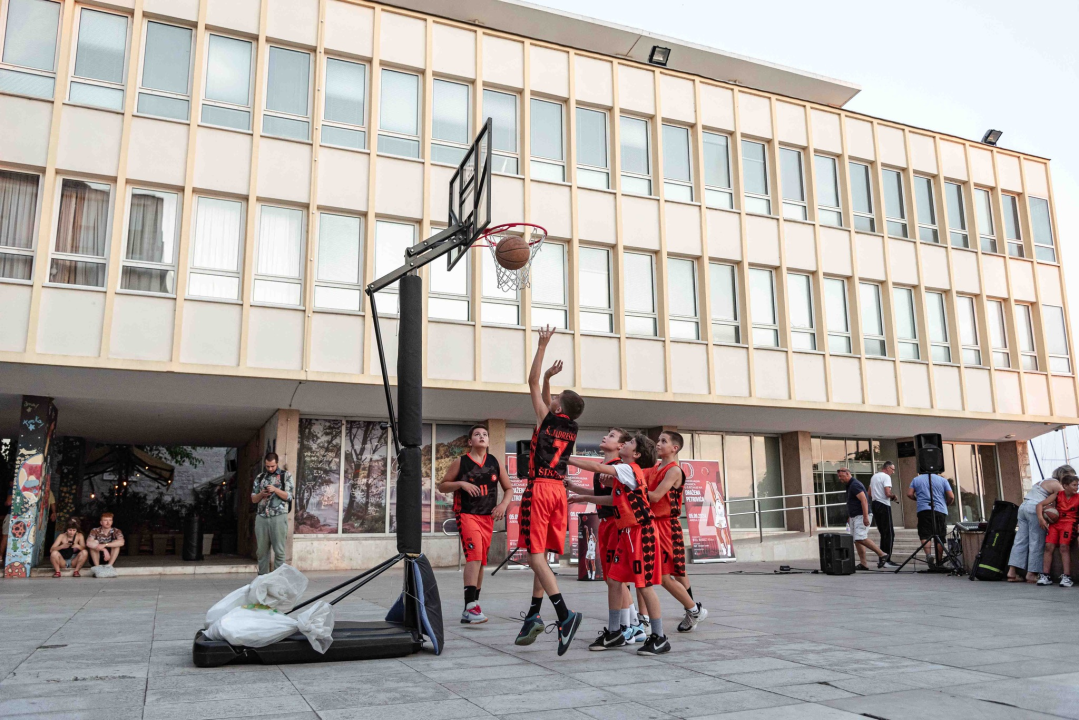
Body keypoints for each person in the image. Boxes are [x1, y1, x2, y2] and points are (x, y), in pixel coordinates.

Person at [514, 326, 585, 656]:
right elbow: (544, 396)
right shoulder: (568, 427)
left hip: (540, 489)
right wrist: (549, 383)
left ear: (557, 408)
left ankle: (564, 615)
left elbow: (530, 385)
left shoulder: (546, 420)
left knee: (534, 556)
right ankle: (533, 614)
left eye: (553, 399)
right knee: (542, 555)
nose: (549, 399)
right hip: (559, 492)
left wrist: (542, 349)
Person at [569, 433, 670, 655]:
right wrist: (583, 497)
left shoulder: (628, 468)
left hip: (641, 532)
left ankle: (659, 637)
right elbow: (613, 500)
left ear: (636, 454)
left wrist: (565, 458)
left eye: (630, 443)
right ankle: (614, 632)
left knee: (644, 585)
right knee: (614, 580)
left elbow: (594, 468)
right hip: (628, 532)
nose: (624, 444)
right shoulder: (626, 473)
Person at [565, 427, 646, 645]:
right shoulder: (610, 467)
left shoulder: (618, 467)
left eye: (611, 436)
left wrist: (567, 458)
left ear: (622, 446)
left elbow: (614, 499)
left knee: (616, 580)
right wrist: (578, 491)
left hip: (617, 524)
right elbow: (604, 495)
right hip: (608, 523)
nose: (605, 437)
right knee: (614, 580)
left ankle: (629, 626)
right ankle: (631, 626)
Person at [436, 424, 512, 624]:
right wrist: (461, 484)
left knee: (480, 563)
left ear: (488, 440)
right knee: (474, 556)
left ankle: (472, 607)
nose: (482, 436)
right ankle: (470, 606)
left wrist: (503, 505)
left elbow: (509, 488)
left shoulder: (495, 462)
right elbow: (442, 486)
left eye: (485, 434)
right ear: (470, 441)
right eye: (477, 434)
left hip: (488, 517)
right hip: (467, 514)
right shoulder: (460, 462)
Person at [647, 431, 707, 632]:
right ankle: (692, 609)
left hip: (667, 526)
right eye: (658, 440)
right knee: (665, 573)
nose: (658, 443)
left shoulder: (674, 470)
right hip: (654, 524)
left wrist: (632, 489)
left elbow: (654, 497)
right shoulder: (655, 467)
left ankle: (693, 610)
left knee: (675, 572)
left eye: (664, 441)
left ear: (675, 448)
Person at [1008, 465, 1074, 583]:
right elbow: (1064, 503)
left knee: (1020, 540)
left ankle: (1012, 572)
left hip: (1023, 507)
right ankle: (1031, 573)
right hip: (1035, 509)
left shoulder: (1043, 481)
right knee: (1037, 541)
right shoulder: (1058, 486)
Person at [839, 468, 896, 570]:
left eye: (841, 476)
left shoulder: (855, 485)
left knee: (860, 537)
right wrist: (850, 516)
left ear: (848, 474)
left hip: (861, 515)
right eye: (838, 476)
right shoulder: (850, 485)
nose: (840, 479)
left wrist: (865, 517)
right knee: (856, 540)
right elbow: (853, 502)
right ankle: (863, 563)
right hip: (854, 516)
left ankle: (882, 554)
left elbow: (864, 500)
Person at [251, 452, 293, 575]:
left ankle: (277, 580)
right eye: (268, 466)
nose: (270, 469)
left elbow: (289, 496)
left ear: (277, 463)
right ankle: (262, 579)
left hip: (278, 516)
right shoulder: (260, 477)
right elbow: (253, 499)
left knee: (279, 551)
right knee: (261, 552)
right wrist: (261, 494)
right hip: (262, 517)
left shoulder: (286, 476)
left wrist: (275, 489)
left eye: (272, 466)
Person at [906, 469, 955, 567]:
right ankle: (939, 561)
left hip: (923, 510)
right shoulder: (943, 480)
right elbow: (951, 496)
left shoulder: (916, 479)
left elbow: (909, 494)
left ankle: (928, 555)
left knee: (924, 534)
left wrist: (917, 499)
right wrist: (946, 504)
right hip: (939, 510)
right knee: (940, 535)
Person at [1037, 473, 1079, 587]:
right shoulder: (1057, 494)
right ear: (1065, 486)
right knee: (1048, 547)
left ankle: (1067, 576)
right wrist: (1041, 519)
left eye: (1077, 485)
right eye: (1074, 485)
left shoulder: (1078, 498)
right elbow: (1040, 505)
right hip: (1056, 523)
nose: (1076, 487)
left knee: (1064, 547)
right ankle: (1045, 575)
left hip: (1070, 523)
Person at [869, 461, 898, 567]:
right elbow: (887, 492)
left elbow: (869, 493)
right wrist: (894, 496)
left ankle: (882, 557)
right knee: (890, 533)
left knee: (883, 533)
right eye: (892, 469)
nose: (893, 472)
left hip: (875, 504)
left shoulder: (874, 477)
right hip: (883, 505)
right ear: (887, 468)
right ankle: (887, 559)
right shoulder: (886, 477)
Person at [0, 493, 10, 561]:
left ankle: (0, 556)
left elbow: (8, 502)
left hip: (10, 515)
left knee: (5, 536)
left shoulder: (12, 490)